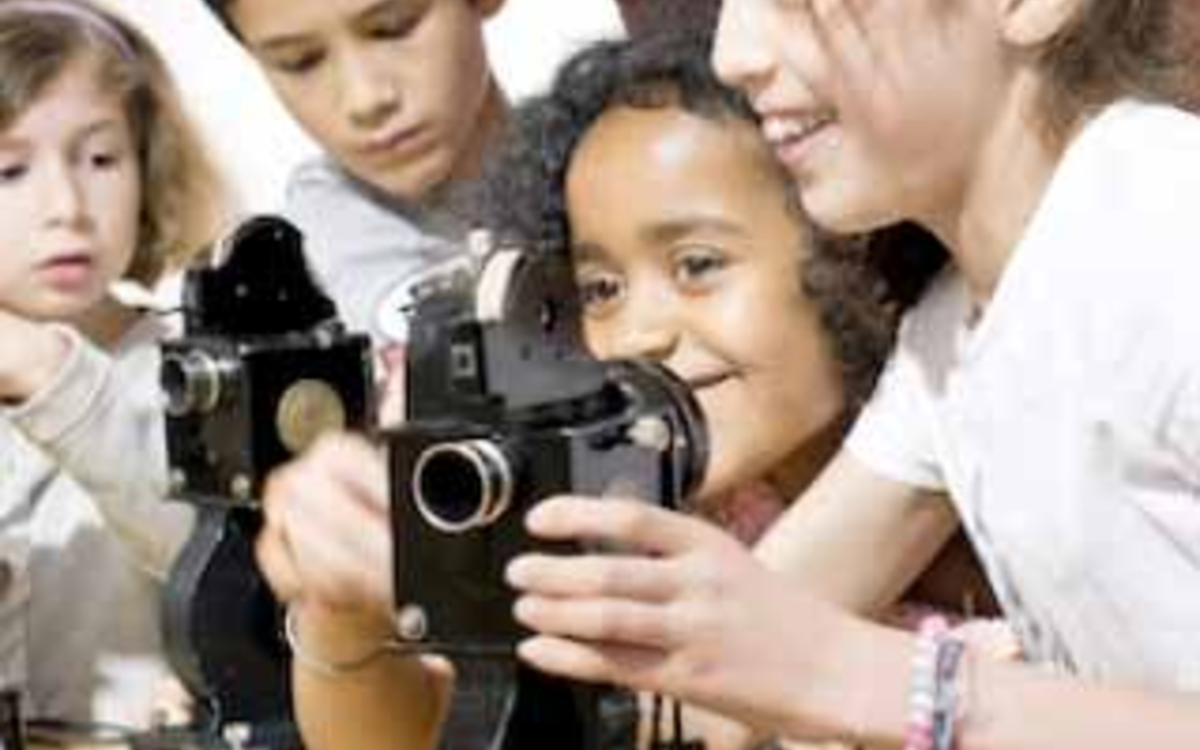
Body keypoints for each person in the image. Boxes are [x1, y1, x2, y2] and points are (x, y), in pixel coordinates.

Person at [256, 28, 1003, 750]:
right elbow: (422, 733)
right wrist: (338, 608)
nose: (642, 332)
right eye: (602, 287)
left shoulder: (989, 427)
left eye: (698, 265)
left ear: (854, 243)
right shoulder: (647, 516)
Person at [500, 0, 1200, 747]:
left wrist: (868, 679)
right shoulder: (952, 332)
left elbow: (810, 664)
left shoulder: (1165, 231)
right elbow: (725, 677)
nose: (737, 53)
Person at [0, 0, 227, 730]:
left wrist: (54, 380)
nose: (67, 206)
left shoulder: (198, 371)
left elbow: (209, 550)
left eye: (100, 159)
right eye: (10, 170)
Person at [198, 0, 509, 347]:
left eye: (393, 27)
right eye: (300, 61)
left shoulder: (577, 177)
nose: (366, 100)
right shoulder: (289, 287)